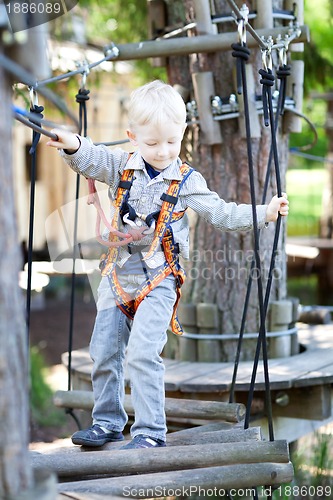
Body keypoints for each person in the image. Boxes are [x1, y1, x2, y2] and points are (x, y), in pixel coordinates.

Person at [47, 80, 289, 449]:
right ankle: (108, 422)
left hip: (160, 279)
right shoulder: (121, 166)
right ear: (132, 137)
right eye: (152, 143)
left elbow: (222, 213)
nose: (162, 152)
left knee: (143, 352)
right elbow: (92, 157)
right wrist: (74, 145)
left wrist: (264, 213)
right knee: (103, 350)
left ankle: (149, 432)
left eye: (171, 142)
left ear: (182, 134)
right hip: (118, 275)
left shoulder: (188, 181)